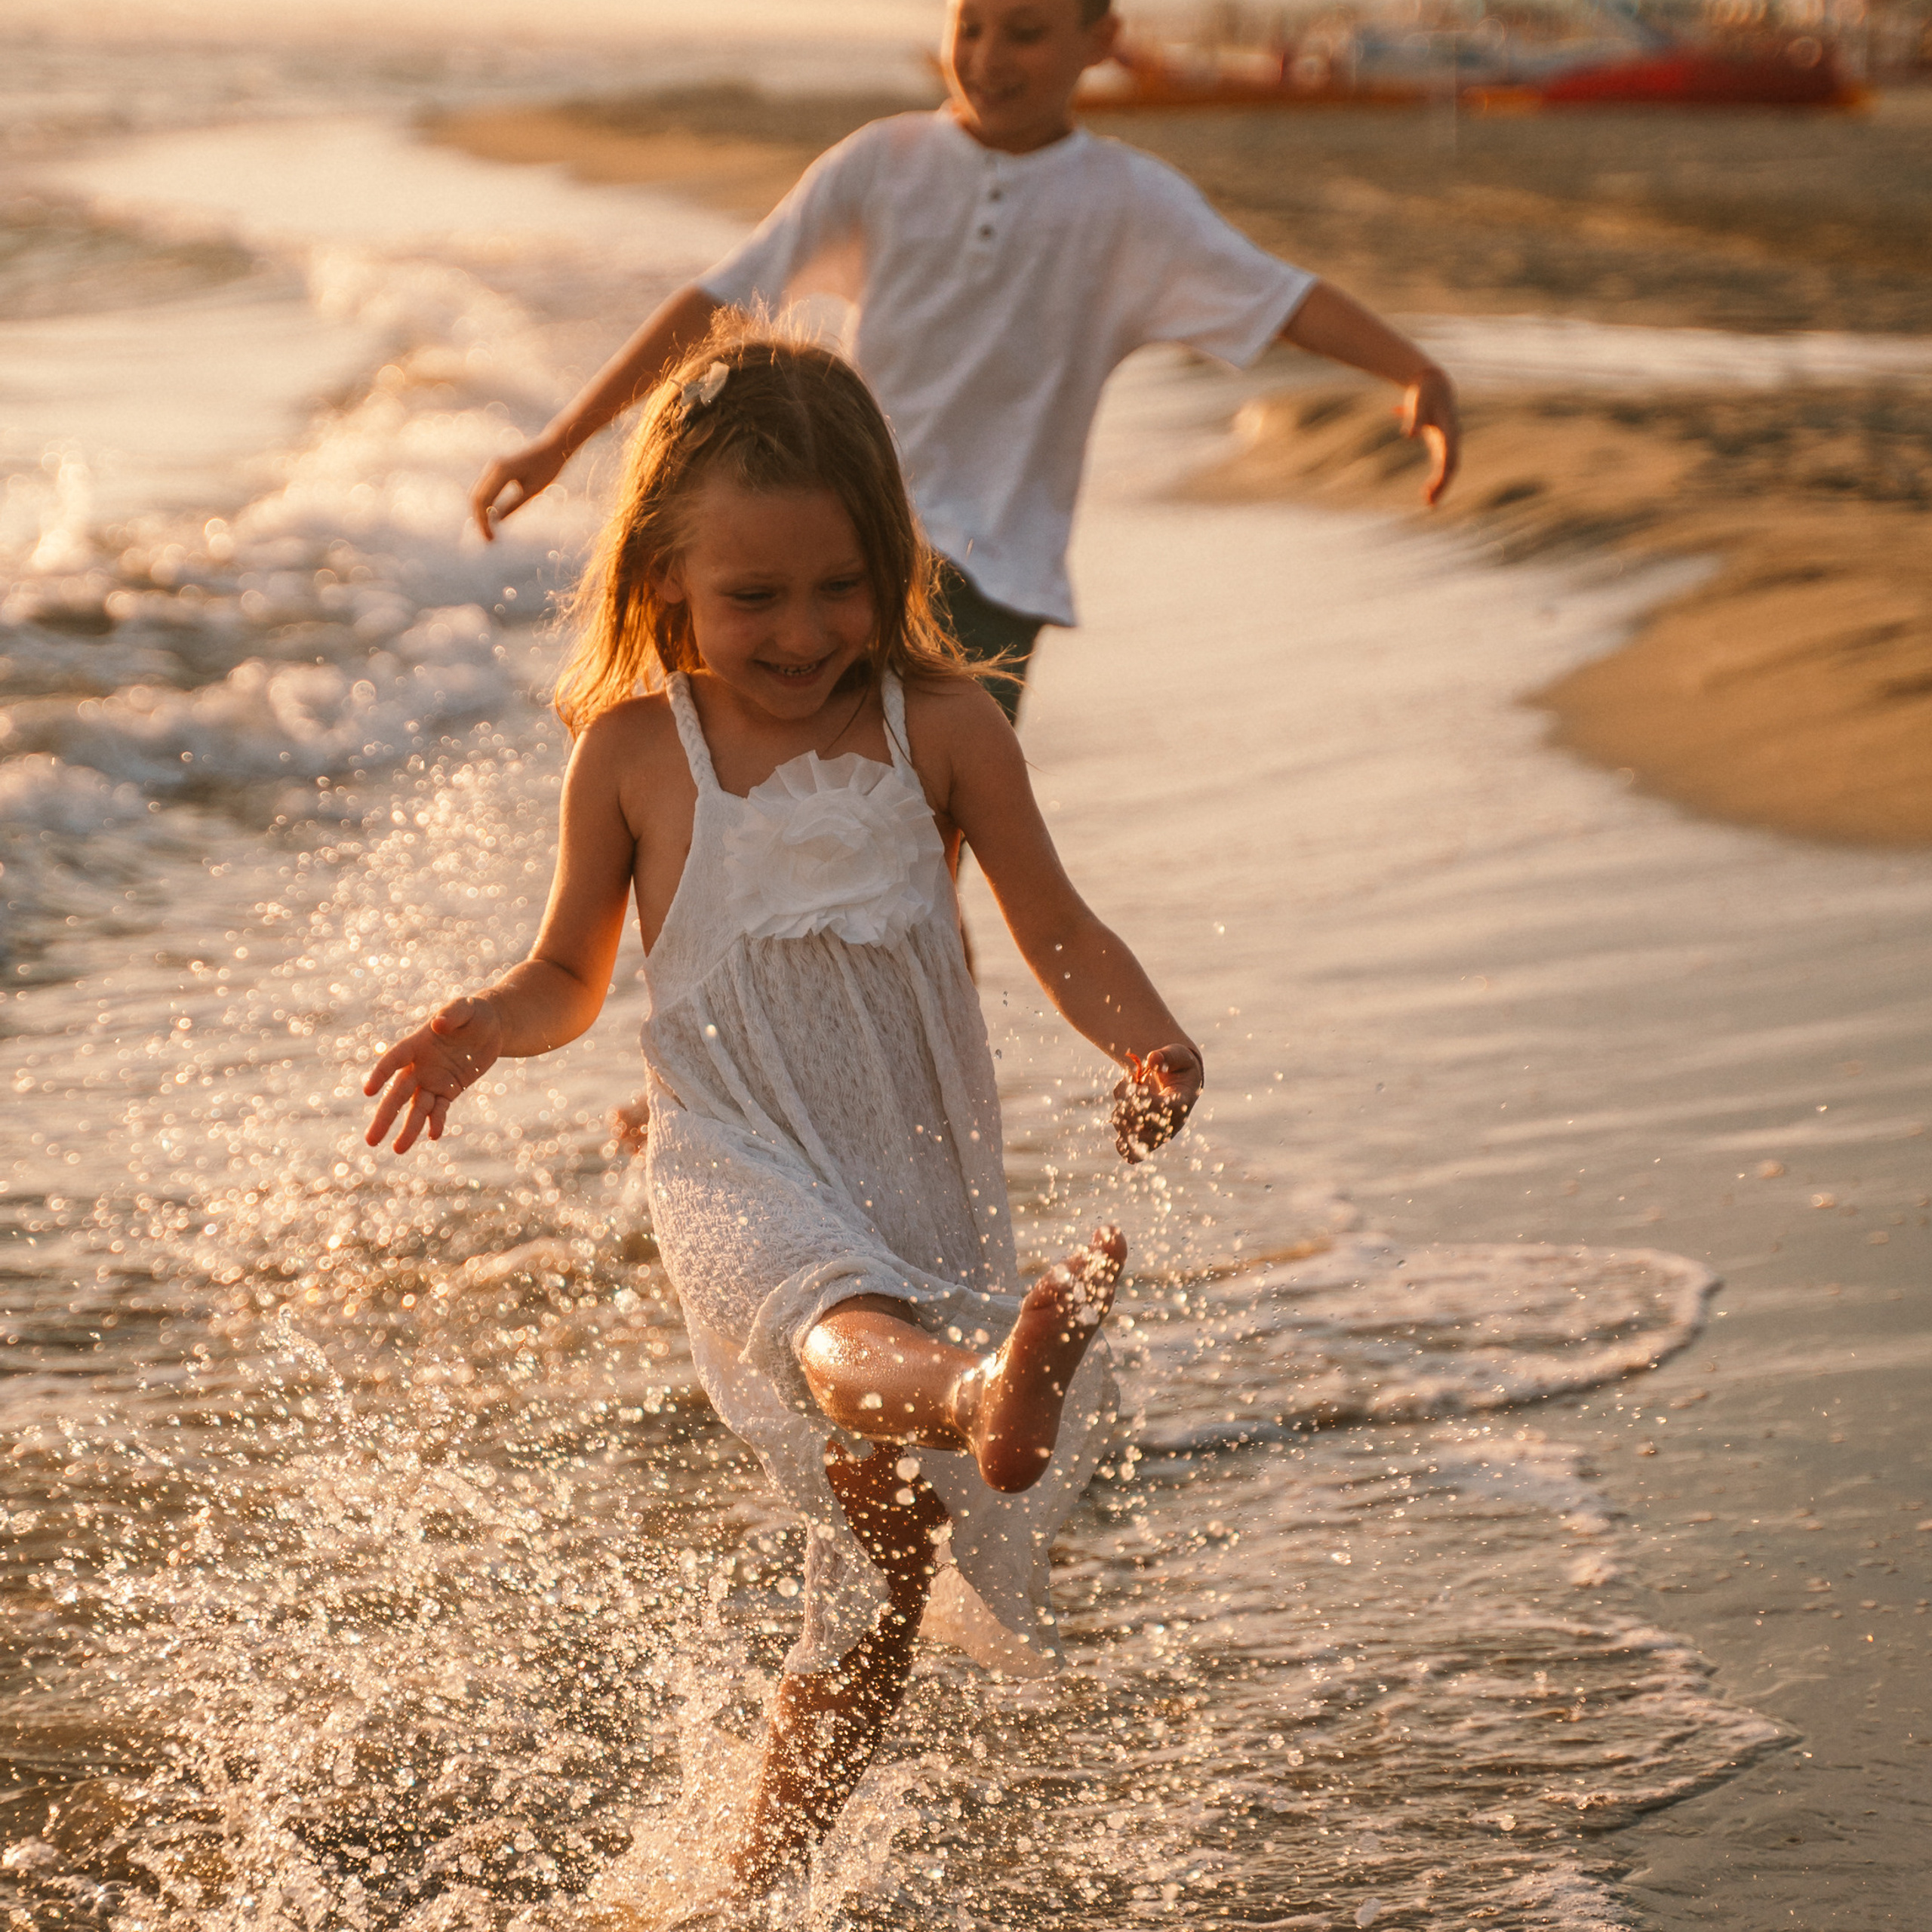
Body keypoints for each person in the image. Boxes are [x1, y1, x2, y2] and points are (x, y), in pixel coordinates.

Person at [367, 325, 1203, 1897]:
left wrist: (1146, 1045)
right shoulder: (634, 752)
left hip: (902, 1157)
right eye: (753, 595)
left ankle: (758, 1880)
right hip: (731, 1151)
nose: (801, 628)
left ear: (886, 560)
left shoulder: (940, 726)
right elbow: (568, 969)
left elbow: (1059, 926)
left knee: (880, 1573)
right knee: (828, 1321)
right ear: (664, 575)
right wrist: (485, 1023)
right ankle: (974, 1387)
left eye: (837, 585)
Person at [468, 0, 1461, 724]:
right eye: (969, 26)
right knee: (811, 817)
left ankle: (920, 1005)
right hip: (850, 545)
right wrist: (563, 440)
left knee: (928, 832)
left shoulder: (1129, 202)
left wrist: (1415, 370)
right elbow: (723, 299)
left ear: (1099, 40)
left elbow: (1280, 298)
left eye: (1024, 30)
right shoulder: (882, 162)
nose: (987, 56)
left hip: (998, 571)